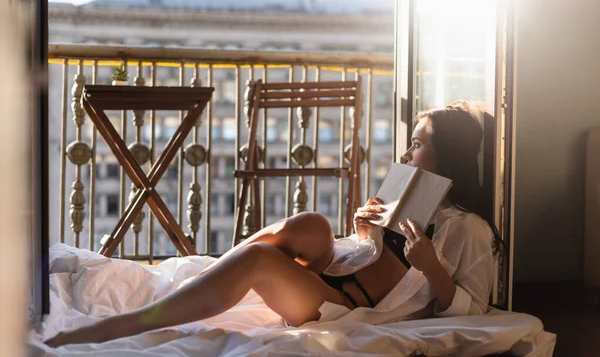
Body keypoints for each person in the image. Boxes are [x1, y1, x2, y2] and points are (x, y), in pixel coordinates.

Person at [45, 101, 501, 347]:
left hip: (340, 299)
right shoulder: (409, 203)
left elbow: (477, 312)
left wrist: (432, 268)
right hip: (338, 267)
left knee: (262, 259)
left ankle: (124, 324)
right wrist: (367, 234)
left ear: (449, 156)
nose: (405, 154)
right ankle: (206, 279)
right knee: (312, 223)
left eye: (418, 144)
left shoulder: (468, 228)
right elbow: (377, 260)